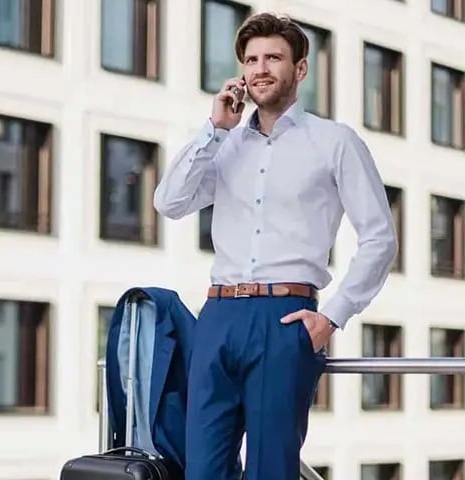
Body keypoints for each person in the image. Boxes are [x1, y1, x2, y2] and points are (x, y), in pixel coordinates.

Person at [152, 12, 398, 480]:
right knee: (201, 470)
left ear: (300, 69)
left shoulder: (335, 142)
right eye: (251, 59)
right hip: (218, 316)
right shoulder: (224, 146)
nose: (260, 68)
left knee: (271, 470)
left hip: (285, 320)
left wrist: (332, 317)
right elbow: (169, 202)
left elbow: (379, 238)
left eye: (273, 58)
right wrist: (213, 128)